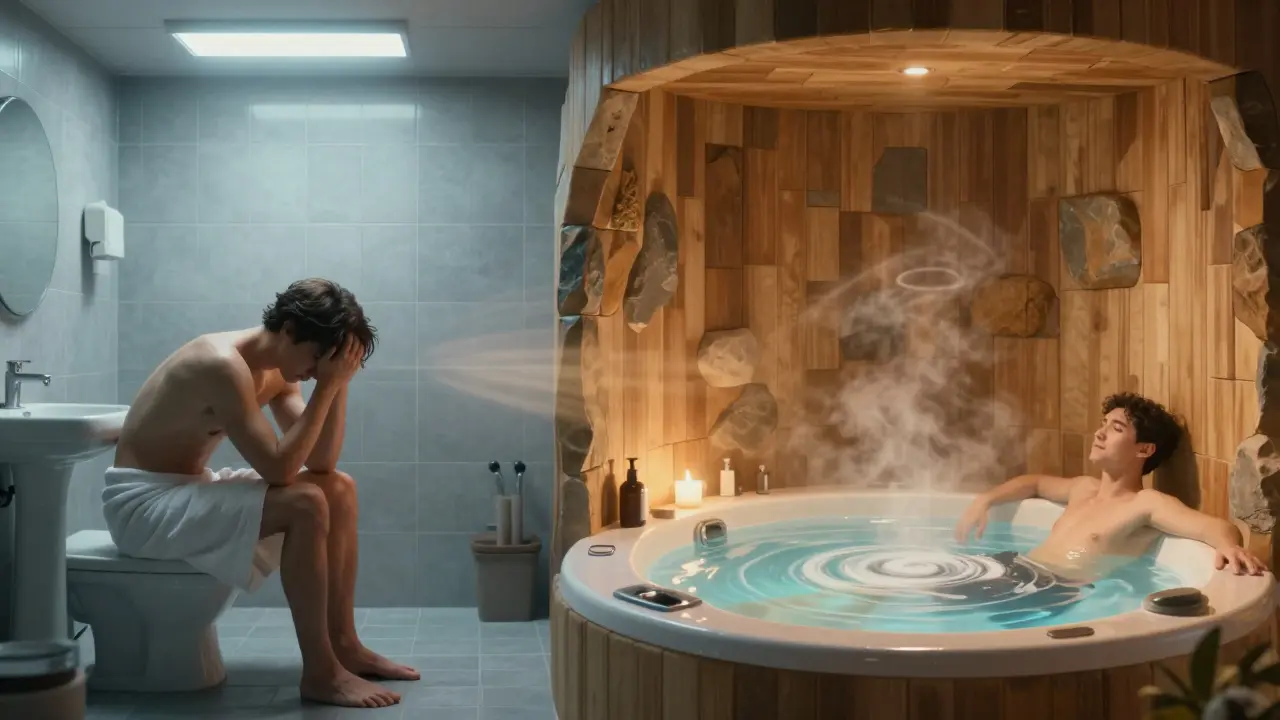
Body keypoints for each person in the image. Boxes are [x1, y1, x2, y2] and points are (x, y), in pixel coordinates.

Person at [102, 278, 418, 709]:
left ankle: (345, 644)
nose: (315, 372)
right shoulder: (219, 363)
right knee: (305, 503)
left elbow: (321, 460)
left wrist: (338, 383)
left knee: (339, 488)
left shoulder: (278, 370)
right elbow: (279, 468)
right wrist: (325, 386)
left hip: (188, 488)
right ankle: (321, 673)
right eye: (317, 359)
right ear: (289, 329)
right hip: (142, 506)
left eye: (328, 363)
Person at [955, 392, 1266, 583]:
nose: (1099, 433)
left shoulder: (1145, 504)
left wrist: (1228, 545)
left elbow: (1215, 528)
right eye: (1103, 423)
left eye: (1115, 428)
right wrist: (985, 499)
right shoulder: (1083, 488)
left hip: (1052, 591)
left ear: (1144, 450)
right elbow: (1033, 483)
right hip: (1016, 571)